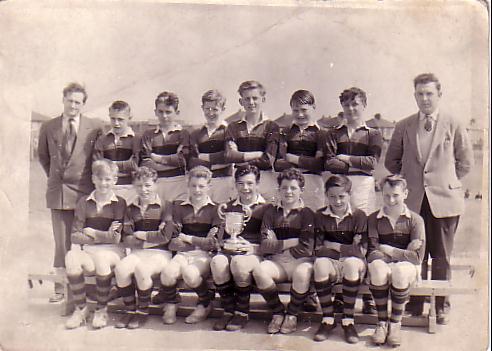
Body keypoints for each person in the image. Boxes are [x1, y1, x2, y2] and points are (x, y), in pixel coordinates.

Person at [385, 73, 473, 323]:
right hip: (413, 201)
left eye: (429, 93)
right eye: (420, 94)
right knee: (415, 253)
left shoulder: (453, 123)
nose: (425, 98)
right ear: (414, 96)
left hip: (444, 201)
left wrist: (445, 181)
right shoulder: (404, 125)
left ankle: (442, 304)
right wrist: (409, 181)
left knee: (442, 255)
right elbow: (391, 160)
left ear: (439, 95)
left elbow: (465, 161)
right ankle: (415, 303)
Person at [38, 82, 103, 303]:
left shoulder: (94, 127)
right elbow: (43, 158)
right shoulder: (48, 126)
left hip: (85, 192)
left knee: (86, 239)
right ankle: (60, 287)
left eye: (78, 102)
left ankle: (90, 288)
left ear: (83, 105)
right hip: (59, 193)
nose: (73, 105)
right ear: (63, 100)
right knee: (62, 242)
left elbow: (96, 159)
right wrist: (58, 179)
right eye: (70, 100)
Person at [322, 87, 382, 314]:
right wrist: (356, 162)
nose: (351, 109)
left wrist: (345, 157)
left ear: (364, 105)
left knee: (362, 235)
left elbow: (372, 163)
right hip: (340, 186)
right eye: (346, 105)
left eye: (355, 104)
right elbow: (329, 163)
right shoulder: (334, 132)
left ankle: (367, 294)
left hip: (363, 186)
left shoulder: (372, 133)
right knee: (341, 232)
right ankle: (340, 290)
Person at [64, 159, 127, 329]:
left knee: (102, 258)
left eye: (108, 179)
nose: (103, 183)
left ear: (115, 180)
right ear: (93, 179)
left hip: (112, 252)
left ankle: (101, 310)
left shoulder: (119, 203)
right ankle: (81, 309)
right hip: (89, 250)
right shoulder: (84, 202)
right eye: (100, 179)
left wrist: (92, 232)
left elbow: (115, 238)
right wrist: (102, 236)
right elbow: (75, 236)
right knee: (71, 257)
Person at [252, 168, 315, 334]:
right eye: (284, 187)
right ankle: (278, 312)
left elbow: (307, 248)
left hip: (299, 262)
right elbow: (264, 245)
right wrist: (292, 241)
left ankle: (292, 315)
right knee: (260, 270)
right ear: (278, 189)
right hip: (277, 262)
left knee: (303, 273)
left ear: (301, 190)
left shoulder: (307, 214)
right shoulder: (271, 212)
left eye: (293, 188)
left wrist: (278, 244)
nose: (288, 192)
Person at [367, 175, 425, 347]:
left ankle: (395, 324)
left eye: (396, 195)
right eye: (386, 195)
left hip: (407, 268)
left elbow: (416, 258)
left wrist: (388, 250)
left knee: (399, 271)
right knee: (377, 268)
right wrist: (405, 250)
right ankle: (382, 323)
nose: (391, 200)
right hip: (383, 264)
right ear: (381, 194)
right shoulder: (373, 219)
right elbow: (371, 252)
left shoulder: (415, 220)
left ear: (405, 194)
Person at [210, 165, 269, 331]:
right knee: (217, 262)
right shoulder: (228, 207)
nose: (245, 188)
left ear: (258, 184)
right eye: (241, 183)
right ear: (235, 185)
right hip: (231, 250)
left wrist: (254, 248)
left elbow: (270, 240)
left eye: (250, 183)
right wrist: (221, 242)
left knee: (239, 264)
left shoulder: (267, 208)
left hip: (254, 253)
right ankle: (228, 310)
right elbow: (222, 236)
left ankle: (242, 312)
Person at [114, 166, 174, 329]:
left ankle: (142, 312)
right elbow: (127, 237)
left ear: (156, 185)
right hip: (137, 252)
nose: (144, 189)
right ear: (134, 186)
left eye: (148, 185)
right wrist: (151, 238)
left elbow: (166, 236)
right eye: (139, 185)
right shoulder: (130, 208)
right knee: (121, 269)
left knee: (142, 270)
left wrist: (140, 235)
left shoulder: (166, 206)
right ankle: (130, 310)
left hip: (161, 253)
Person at [159, 166, 220, 325]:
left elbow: (212, 243)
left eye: (201, 186)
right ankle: (172, 304)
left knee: (190, 274)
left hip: (204, 257)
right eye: (193, 186)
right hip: (183, 254)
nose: (197, 190)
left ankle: (205, 303)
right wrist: (198, 243)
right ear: (188, 185)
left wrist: (187, 238)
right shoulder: (178, 207)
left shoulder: (216, 209)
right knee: (167, 273)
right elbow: (173, 240)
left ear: (209, 186)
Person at [311, 175, 367, 344]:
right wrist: (346, 250)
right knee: (320, 264)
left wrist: (333, 245)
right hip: (331, 262)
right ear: (326, 195)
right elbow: (318, 249)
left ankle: (348, 321)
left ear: (349, 195)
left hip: (354, 264)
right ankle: (327, 319)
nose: (337, 201)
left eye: (342, 196)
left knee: (350, 263)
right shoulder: (320, 215)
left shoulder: (359, 215)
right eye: (332, 196)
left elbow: (360, 251)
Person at [224, 80, 280, 202]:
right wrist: (258, 154)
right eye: (247, 99)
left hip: (265, 182)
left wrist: (240, 158)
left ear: (263, 99)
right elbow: (230, 155)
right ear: (241, 101)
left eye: (255, 98)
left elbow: (268, 160)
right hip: (240, 181)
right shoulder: (233, 127)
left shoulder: (272, 126)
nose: (251, 102)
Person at [274, 90, 324, 210]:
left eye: (304, 110)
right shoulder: (285, 132)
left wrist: (293, 158)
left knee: (313, 221)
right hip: (290, 185)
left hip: (313, 185)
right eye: (296, 110)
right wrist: (308, 162)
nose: (300, 114)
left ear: (313, 107)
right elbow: (278, 164)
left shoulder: (321, 133)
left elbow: (319, 164)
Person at [140, 91, 190, 203]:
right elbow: (145, 162)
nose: (164, 116)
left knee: (176, 215)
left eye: (168, 112)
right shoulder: (148, 135)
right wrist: (172, 163)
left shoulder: (183, 133)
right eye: (160, 112)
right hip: (156, 182)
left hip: (178, 182)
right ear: (155, 112)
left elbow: (182, 161)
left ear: (177, 112)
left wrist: (156, 158)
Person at [188, 89, 235, 203]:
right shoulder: (196, 133)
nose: (210, 113)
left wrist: (203, 157)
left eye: (215, 109)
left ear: (223, 110)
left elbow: (229, 156)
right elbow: (192, 161)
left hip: (224, 181)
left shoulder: (230, 131)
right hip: (202, 183)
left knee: (222, 214)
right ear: (202, 108)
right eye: (207, 109)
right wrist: (218, 161)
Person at [93, 100, 139, 202]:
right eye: (113, 119)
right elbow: (97, 165)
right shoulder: (102, 139)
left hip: (130, 188)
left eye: (120, 119)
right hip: (107, 188)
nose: (116, 123)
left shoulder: (136, 139)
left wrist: (109, 164)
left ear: (129, 118)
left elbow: (135, 165)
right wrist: (126, 164)